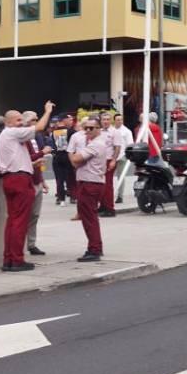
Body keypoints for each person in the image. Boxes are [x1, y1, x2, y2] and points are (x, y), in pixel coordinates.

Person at [0, 100, 55, 272]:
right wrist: (47, 111)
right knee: (20, 222)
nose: (21, 123)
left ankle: (9, 259)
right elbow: (39, 127)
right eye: (18, 120)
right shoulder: (12, 133)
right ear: (8, 122)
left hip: (11, 178)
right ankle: (16, 260)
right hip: (19, 179)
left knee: (13, 221)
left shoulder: (6, 135)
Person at [69, 115, 114, 262]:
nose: (87, 130)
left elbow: (75, 160)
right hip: (90, 182)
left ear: (99, 129)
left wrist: (72, 154)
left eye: (91, 128)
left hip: (90, 183)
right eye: (85, 128)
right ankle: (96, 247)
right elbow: (76, 161)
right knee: (90, 217)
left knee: (89, 218)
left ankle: (94, 249)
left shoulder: (96, 144)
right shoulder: (94, 143)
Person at [21, 110, 53, 257]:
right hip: (27, 181)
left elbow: (37, 162)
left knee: (34, 215)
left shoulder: (37, 137)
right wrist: (43, 152)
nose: (37, 122)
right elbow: (29, 158)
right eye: (34, 120)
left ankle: (32, 244)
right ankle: (22, 244)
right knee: (24, 215)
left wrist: (42, 180)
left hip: (36, 179)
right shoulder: (22, 137)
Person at [109, 113, 135, 203]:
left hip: (122, 156)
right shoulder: (111, 130)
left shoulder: (126, 131)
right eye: (117, 119)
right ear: (114, 121)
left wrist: (127, 156)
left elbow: (130, 144)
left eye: (121, 119)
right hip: (111, 156)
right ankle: (109, 195)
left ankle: (120, 196)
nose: (119, 121)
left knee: (121, 177)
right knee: (109, 177)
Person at [50, 114, 75, 205]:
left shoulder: (53, 132)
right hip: (68, 155)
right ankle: (73, 196)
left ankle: (61, 198)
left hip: (57, 156)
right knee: (71, 177)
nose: (70, 121)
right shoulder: (70, 131)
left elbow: (52, 145)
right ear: (64, 120)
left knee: (59, 178)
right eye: (68, 119)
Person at [98, 112, 118, 217]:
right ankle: (102, 206)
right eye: (103, 119)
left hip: (109, 160)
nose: (105, 121)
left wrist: (113, 161)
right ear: (100, 121)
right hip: (99, 161)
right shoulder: (98, 131)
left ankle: (110, 209)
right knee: (100, 184)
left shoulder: (114, 132)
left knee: (107, 185)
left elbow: (117, 147)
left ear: (111, 121)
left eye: (107, 119)